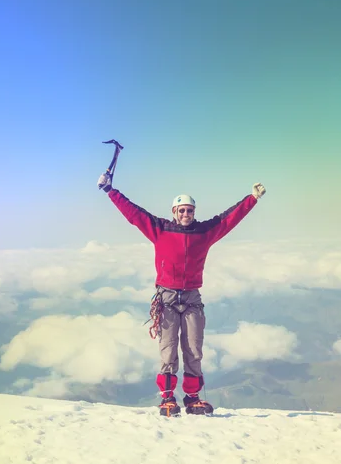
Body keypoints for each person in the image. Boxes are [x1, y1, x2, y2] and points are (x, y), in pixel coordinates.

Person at [97, 171, 266, 416]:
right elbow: (134, 214)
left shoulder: (204, 232)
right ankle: (167, 399)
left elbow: (229, 219)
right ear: (174, 212)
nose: (186, 214)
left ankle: (192, 398)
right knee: (168, 351)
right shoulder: (159, 229)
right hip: (166, 299)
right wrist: (110, 191)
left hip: (191, 298)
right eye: (182, 210)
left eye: (190, 210)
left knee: (194, 350)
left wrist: (252, 198)